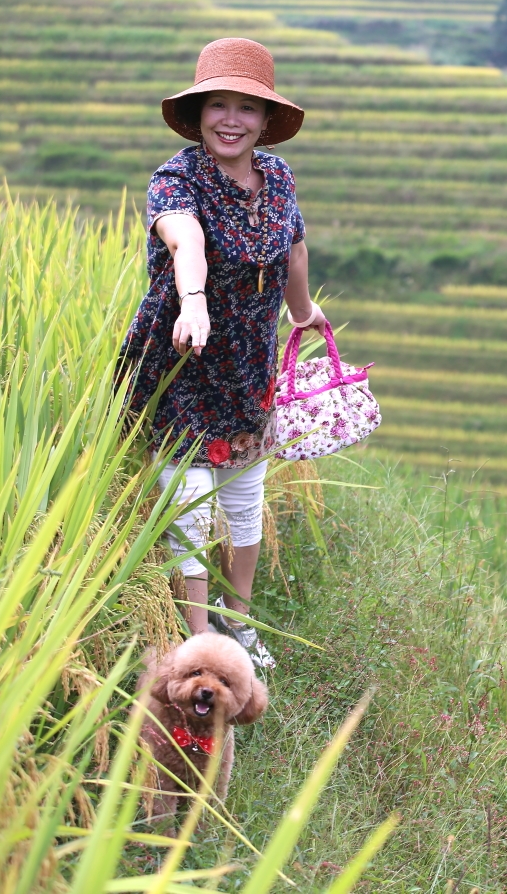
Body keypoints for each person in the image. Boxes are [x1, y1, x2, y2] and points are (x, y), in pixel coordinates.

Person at [119, 37, 327, 669]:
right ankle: (199, 637)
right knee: (187, 502)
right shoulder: (176, 179)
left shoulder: (279, 178)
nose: (230, 119)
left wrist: (301, 312)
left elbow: (293, 249)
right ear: (200, 112)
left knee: (243, 499)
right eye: (218, 105)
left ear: (266, 122)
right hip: (184, 356)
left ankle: (239, 626)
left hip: (248, 367)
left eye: (246, 107)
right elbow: (187, 244)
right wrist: (194, 301)